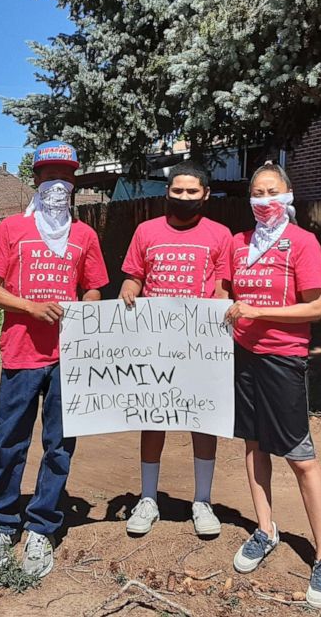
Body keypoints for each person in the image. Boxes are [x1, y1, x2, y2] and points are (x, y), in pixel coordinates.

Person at [0, 140, 109, 578]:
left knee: (59, 446)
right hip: (21, 352)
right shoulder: (12, 228)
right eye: (49, 174)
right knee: (9, 441)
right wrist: (30, 307)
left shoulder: (84, 236)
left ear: (74, 182)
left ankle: (42, 526)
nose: (58, 182)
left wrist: (85, 309)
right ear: (35, 179)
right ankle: (1, 523)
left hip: (68, 357)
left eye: (66, 174)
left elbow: (94, 287)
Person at [224, 162, 321, 609]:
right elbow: (228, 296)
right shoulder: (239, 244)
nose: (264, 199)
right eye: (257, 193)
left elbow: (315, 308)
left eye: (272, 191)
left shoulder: (303, 243)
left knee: (300, 456)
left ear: (288, 195)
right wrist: (229, 307)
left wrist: (259, 313)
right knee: (253, 445)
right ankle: (265, 529)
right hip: (243, 357)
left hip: (284, 359)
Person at [118, 161, 232, 537]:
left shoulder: (220, 235)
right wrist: (130, 289)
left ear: (205, 195)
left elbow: (222, 286)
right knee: (154, 417)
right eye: (177, 191)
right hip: (155, 341)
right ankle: (148, 497)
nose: (184, 197)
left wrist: (219, 305)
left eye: (191, 192)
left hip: (201, 344)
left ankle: (202, 500)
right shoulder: (146, 231)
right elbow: (134, 276)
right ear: (167, 192)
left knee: (202, 419)